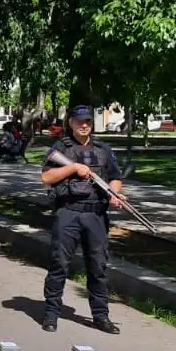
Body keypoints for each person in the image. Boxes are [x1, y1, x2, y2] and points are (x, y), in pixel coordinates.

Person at [39, 104, 124, 334]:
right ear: (71, 123)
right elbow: (46, 177)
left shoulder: (103, 149)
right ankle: (51, 315)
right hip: (69, 212)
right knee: (59, 265)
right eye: (79, 121)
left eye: (87, 121)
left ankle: (101, 316)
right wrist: (73, 168)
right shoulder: (61, 148)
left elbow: (115, 177)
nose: (84, 125)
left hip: (95, 215)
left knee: (98, 266)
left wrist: (114, 193)